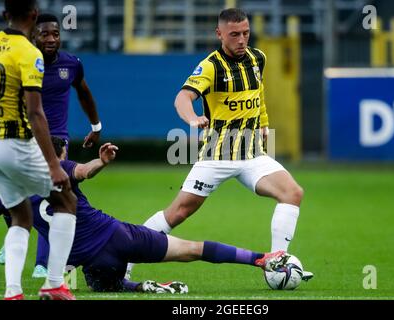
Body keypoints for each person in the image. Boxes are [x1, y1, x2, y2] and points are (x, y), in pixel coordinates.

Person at [126, 8, 312, 280]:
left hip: (251, 155)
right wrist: (192, 118)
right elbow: (182, 98)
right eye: (234, 34)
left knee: (292, 192)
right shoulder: (211, 66)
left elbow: (258, 96)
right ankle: (128, 257)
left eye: (246, 33)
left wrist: (262, 124)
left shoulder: (258, 58)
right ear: (219, 34)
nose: (241, 39)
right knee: (178, 213)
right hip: (217, 155)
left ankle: (277, 262)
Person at [0, 136, 290, 294]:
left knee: (103, 287)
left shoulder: (12, 187)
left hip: (90, 262)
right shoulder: (63, 169)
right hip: (117, 236)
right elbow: (84, 171)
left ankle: (138, 286)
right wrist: (102, 160)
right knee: (190, 249)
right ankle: (260, 259)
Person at [0, 13, 103, 279]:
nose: (51, 39)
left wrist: (96, 126)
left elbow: (84, 92)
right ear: (34, 33)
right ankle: (19, 236)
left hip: (55, 138)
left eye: (55, 34)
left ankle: (42, 263)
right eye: (44, 34)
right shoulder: (22, 58)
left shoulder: (71, 64)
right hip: (21, 135)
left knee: (54, 195)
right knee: (34, 195)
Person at [0, 0, 76, 300]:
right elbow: (35, 113)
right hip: (17, 143)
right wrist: (54, 164)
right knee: (66, 201)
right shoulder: (30, 53)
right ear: (33, 15)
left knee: (20, 215)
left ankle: (13, 292)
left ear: (5, 15)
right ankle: (55, 283)